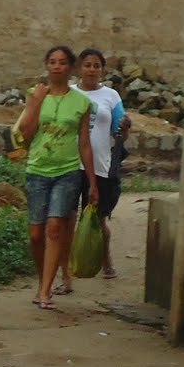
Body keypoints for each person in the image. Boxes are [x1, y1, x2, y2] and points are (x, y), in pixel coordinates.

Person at [18, 46, 96, 310]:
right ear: (46, 65)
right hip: (37, 171)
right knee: (36, 234)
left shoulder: (82, 102)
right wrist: (37, 102)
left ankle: (45, 291)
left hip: (68, 172)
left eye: (62, 62)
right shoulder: (35, 95)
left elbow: (84, 143)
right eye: (52, 62)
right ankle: (44, 280)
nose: (56, 67)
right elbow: (25, 134)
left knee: (54, 228)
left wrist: (93, 182)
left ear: (70, 67)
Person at [53, 48, 130, 289]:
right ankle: (67, 274)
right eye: (87, 65)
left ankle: (105, 259)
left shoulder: (111, 96)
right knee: (68, 220)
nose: (92, 70)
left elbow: (120, 130)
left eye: (97, 66)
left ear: (102, 70)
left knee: (96, 218)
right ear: (78, 68)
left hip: (100, 165)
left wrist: (125, 127)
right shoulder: (70, 93)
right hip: (69, 164)